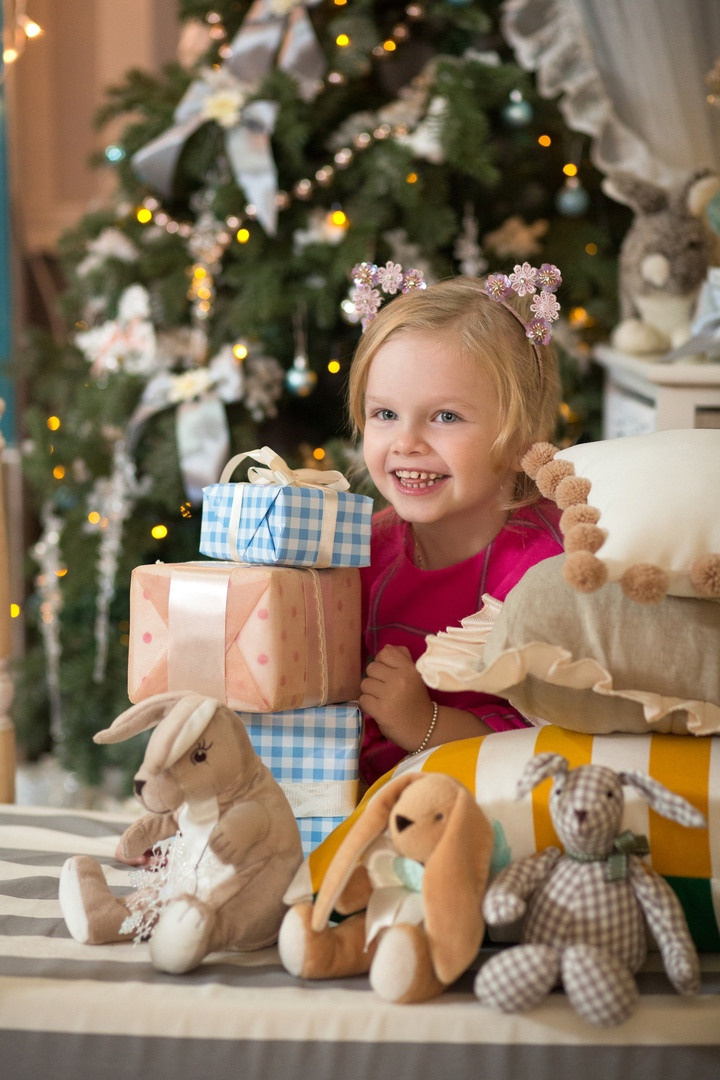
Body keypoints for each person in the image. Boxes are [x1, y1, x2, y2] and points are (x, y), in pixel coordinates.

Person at [346, 262, 565, 787]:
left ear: (520, 440)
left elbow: (552, 744)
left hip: (495, 803)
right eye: (384, 414)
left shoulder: (546, 570)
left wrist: (424, 724)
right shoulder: (361, 552)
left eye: (445, 417)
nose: (406, 443)